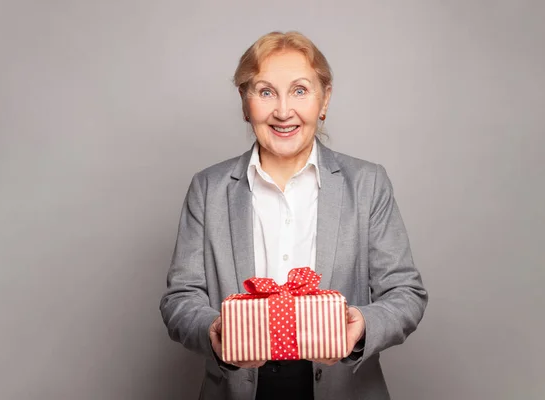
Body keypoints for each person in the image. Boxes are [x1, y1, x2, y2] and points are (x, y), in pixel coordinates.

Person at [160, 31, 428, 400]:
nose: (283, 111)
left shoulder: (367, 184)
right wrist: (216, 332)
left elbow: (406, 293)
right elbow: (180, 299)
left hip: (341, 386)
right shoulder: (208, 188)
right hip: (239, 387)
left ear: (324, 99)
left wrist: (361, 326)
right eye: (265, 91)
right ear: (244, 102)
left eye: (300, 90)